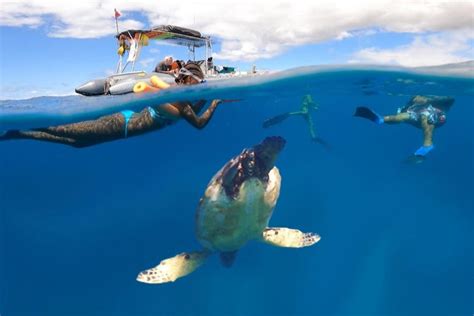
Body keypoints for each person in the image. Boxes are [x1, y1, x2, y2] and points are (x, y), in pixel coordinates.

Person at [0, 63, 223, 148]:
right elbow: (199, 122)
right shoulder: (181, 105)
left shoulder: (181, 102)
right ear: (186, 82)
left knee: (77, 143)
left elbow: (190, 110)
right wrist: (214, 102)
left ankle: (16, 133)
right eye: (196, 84)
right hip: (121, 125)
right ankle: (21, 129)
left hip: (123, 121)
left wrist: (206, 100)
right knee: (65, 131)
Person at [354, 95, 454, 162]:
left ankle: (427, 144)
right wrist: (408, 106)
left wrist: (430, 100)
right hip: (418, 112)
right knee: (400, 117)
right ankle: (381, 119)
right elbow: (412, 101)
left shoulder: (443, 96)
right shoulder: (419, 94)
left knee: (426, 118)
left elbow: (450, 99)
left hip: (437, 115)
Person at [262, 94, 330, 149]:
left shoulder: (307, 96)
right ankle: (313, 136)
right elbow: (310, 103)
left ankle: (313, 137)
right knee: (308, 122)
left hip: (305, 112)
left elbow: (309, 104)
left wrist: (314, 106)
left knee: (310, 124)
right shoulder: (308, 95)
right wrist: (315, 105)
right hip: (305, 112)